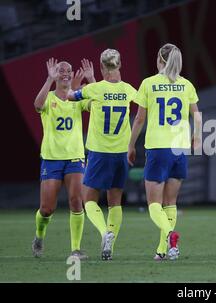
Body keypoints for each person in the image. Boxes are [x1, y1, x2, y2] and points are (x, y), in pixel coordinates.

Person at [128, 43, 201, 261]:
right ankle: (164, 250)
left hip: (158, 148)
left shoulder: (149, 83)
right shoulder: (186, 85)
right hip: (179, 149)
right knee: (170, 204)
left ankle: (169, 236)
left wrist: (131, 145)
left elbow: (140, 118)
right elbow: (197, 116)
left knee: (154, 205)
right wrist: (196, 138)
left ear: (160, 59)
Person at [70, 49, 137, 261]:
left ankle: (103, 233)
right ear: (120, 65)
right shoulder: (128, 90)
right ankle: (110, 245)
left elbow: (72, 96)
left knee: (88, 199)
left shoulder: (94, 89)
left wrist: (83, 84)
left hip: (99, 153)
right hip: (121, 153)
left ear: (101, 67)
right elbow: (143, 106)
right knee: (115, 202)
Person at [32, 58, 94, 259]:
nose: (66, 73)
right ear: (55, 74)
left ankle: (76, 249)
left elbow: (96, 104)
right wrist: (48, 80)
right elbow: (37, 105)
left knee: (77, 201)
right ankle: (39, 235)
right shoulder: (49, 98)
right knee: (47, 208)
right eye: (61, 70)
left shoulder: (76, 98)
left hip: (74, 157)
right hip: (51, 158)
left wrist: (91, 79)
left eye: (69, 70)